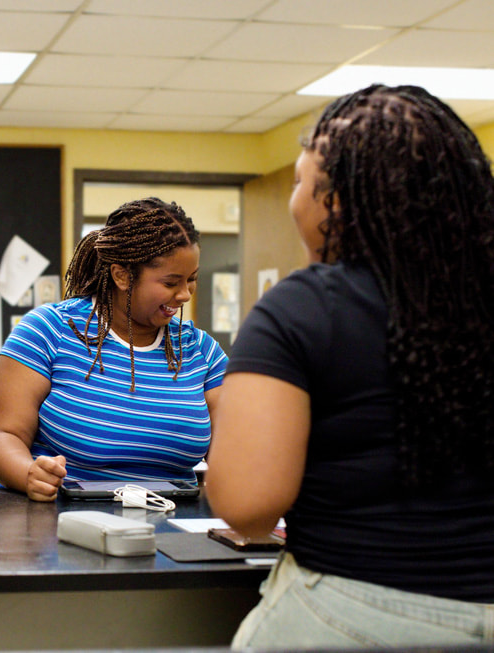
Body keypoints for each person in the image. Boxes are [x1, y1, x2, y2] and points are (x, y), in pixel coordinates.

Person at [206, 85, 494, 649]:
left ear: (334, 199)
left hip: (352, 611)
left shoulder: (302, 308)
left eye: (298, 181)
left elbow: (246, 508)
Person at [0, 197, 227, 501]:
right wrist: (28, 473)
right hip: (60, 522)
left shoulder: (201, 351)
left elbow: (231, 452)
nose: (184, 295)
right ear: (122, 275)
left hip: (172, 526)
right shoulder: (50, 330)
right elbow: (2, 435)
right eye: (170, 282)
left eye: (191, 280)